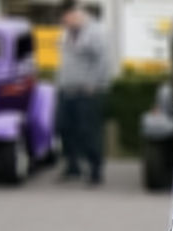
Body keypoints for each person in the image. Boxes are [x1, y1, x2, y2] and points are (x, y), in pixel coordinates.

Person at [55, 0, 112, 185]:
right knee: (65, 128)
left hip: (86, 92)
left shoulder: (94, 33)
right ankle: (73, 166)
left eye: (67, 17)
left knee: (88, 131)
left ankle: (95, 169)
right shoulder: (67, 33)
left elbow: (103, 60)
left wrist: (95, 84)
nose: (65, 21)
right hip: (67, 90)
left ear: (76, 15)